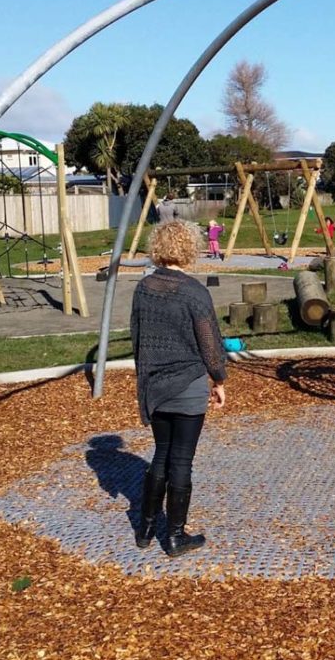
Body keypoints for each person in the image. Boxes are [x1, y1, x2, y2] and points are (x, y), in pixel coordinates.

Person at [131, 220, 227, 557]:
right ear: (189, 248)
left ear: (157, 247)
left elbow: (137, 339)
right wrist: (218, 380)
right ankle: (174, 537)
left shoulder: (144, 289)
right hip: (188, 385)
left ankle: (144, 527)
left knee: (161, 454)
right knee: (181, 461)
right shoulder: (193, 292)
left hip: (156, 385)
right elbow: (210, 345)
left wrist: (145, 380)